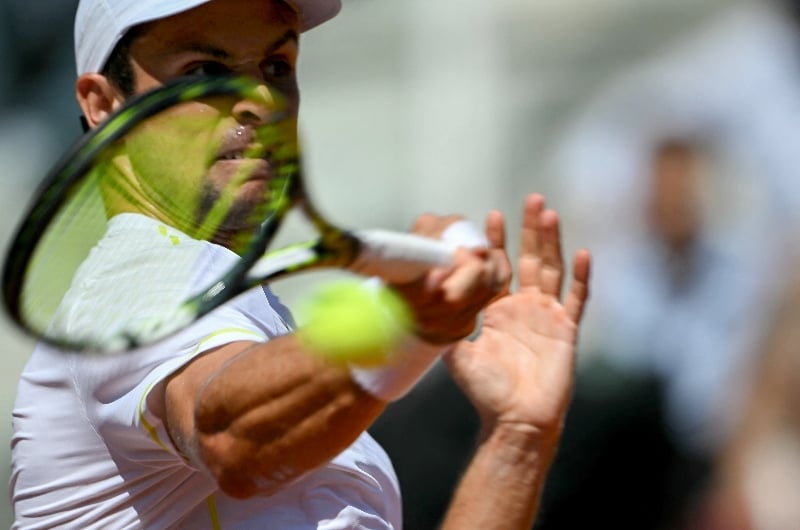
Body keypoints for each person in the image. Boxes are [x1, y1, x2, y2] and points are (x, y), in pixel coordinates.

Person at [10, 1, 591, 528]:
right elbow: (229, 438)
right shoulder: (130, 280)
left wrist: (516, 439)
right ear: (104, 105)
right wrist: (399, 322)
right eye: (204, 71)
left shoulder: (241, 313)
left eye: (276, 66)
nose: (259, 101)